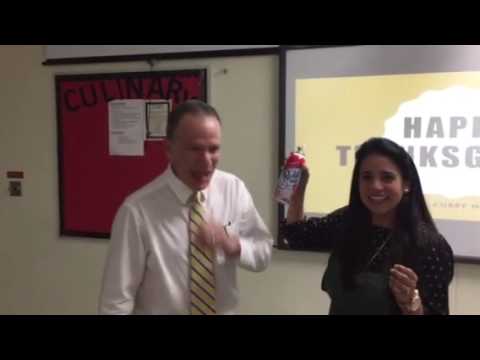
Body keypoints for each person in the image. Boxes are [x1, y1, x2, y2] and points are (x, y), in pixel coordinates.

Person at [99, 100, 273, 314]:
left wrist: (232, 245)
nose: (207, 161)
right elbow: (116, 300)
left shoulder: (233, 190)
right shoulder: (137, 211)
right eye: (196, 149)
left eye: (214, 149)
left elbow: (263, 252)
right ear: (169, 149)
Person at [280, 137, 454, 315]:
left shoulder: (430, 246)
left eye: (387, 177)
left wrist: (412, 306)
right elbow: (297, 236)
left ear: (406, 184)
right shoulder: (347, 221)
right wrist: (298, 189)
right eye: (367, 177)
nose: (375, 186)